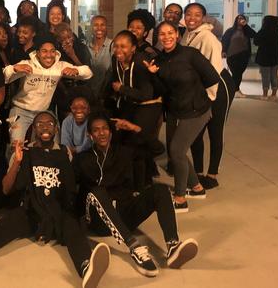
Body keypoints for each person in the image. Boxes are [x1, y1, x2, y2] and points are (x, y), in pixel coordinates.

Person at [0, 111, 111, 288]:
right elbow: (6, 189)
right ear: (34, 129)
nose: (45, 127)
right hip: (31, 209)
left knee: (73, 229)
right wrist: (17, 162)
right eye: (40, 124)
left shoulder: (64, 154)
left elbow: (70, 190)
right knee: (2, 227)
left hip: (58, 210)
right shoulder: (25, 153)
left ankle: (86, 267)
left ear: (56, 129)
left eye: (49, 123)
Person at [75, 112, 199, 277]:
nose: (102, 133)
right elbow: (71, 188)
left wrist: (135, 129)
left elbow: (158, 149)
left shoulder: (124, 152)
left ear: (111, 132)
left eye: (105, 128)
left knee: (160, 190)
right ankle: (134, 247)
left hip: (125, 215)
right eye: (96, 130)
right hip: (99, 221)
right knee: (96, 192)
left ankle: (173, 246)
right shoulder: (82, 159)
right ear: (90, 135)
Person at [144, 21, 219, 212]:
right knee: (178, 151)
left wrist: (193, 92)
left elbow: (212, 77)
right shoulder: (159, 60)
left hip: (197, 110)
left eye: (170, 33)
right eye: (162, 34)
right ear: (158, 37)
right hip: (176, 111)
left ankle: (180, 198)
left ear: (177, 34)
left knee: (176, 152)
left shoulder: (190, 55)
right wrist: (153, 75)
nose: (166, 37)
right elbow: (161, 90)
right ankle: (196, 188)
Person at [181, 3, 235, 190]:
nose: (192, 18)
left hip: (219, 87)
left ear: (203, 18)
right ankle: (198, 172)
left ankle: (212, 174)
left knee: (215, 130)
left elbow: (213, 70)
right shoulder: (187, 36)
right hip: (201, 89)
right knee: (196, 133)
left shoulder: (208, 38)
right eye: (188, 14)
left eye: (197, 15)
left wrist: (209, 99)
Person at [4, 37, 93, 147]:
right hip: (20, 110)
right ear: (37, 53)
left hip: (43, 112)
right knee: (16, 145)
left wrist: (76, 70)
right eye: (44, 51)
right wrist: (14, 69)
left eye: (52, 51)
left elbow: (88, 73)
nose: (49, 55)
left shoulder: (60, 66)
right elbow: (4, 77)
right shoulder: (28, 64)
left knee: (54, 145)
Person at [106, 30, 164, 189]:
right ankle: (142, 180)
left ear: (133, 48)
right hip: (131, 104)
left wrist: (121, 89)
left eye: (123, 46)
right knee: (122, 139)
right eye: (116, 46)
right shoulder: (115, 59)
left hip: (150, 104)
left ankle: (140, 185)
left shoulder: (140, 63)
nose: (118, 50)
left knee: (136, 141)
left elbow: (146, 94)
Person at [222, 15, 256, 97]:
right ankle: (235, 90)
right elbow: (224, 40)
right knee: (236, 73)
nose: (241, 20)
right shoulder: (230, 31)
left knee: (239, 73)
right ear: (236, 20)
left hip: (244, 55)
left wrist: (245, 25)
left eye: (242, 18)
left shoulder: (246, 31)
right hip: (232, 55)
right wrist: (223, 51)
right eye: (239, 18)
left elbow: (254, 35)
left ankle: (235, 90)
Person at [255, 15, 278, 101]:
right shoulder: (277, 31)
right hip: (276, 56)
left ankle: (265, 95)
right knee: (274, 75)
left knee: (265, 76)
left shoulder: (263, 31)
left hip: (264, 57)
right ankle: (274, 94)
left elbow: (256, 41)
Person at [87, 15, 112, 99]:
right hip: (88, 94)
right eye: (96, 25)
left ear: (106, 27)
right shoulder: (85, 46)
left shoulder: (113, 46)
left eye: (102, 25)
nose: (99, 28)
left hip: (106, 95)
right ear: (91, 27)